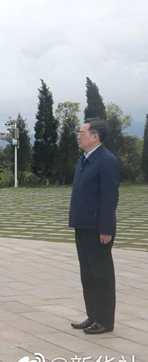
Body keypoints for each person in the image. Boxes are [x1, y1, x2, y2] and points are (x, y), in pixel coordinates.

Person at [69, 118, 120, 335]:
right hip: (82, 224)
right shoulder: (85, 159)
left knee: (101, 275)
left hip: (98, 227)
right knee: (88, 275)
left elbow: (109, 197)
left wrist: (105, 229)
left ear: (95, 136)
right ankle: (93, 316)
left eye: (82, 133)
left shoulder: (106, 161)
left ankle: (105, 321)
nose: (78, 137)